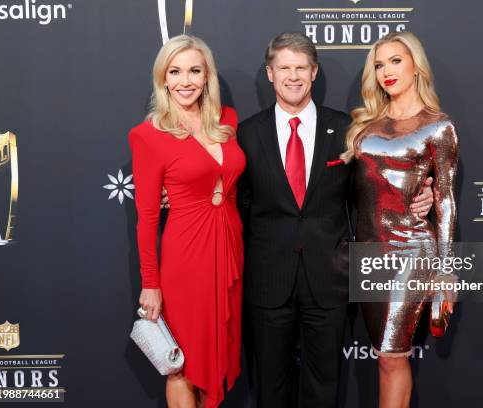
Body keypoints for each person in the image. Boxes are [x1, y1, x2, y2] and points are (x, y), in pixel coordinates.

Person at [234, 32, 435, 408]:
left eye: (300, 68)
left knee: (324, 389)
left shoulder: (349, 131)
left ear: (314, 73)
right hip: (267, 282)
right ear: (269, 73)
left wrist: (424, 195)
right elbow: (234, 203)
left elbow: (374, 192)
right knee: (269, 391)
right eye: (283, 68)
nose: (292, 76)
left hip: (329, 281)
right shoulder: (246, 133)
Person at [341, 31, 459, 408]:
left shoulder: (438, 127)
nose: (386, 71)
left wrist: (446, 269)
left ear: (415, 66)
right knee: (383, 355)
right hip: (368, 252)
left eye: (395, 61)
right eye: (378, 64)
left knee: (393, 356)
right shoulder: (363, 127)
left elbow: (447, 202)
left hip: (411, 250)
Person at [129, 35, 245, 408]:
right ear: (163, 78)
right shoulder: (148, 135)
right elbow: (146, 218)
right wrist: (151, 284)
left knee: (219, 349)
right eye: (175, 71)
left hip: (229, 246)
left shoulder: (227, 121)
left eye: (194, 70)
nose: (185, 81)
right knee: (181, 363)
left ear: (207, 75)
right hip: (185, 258)